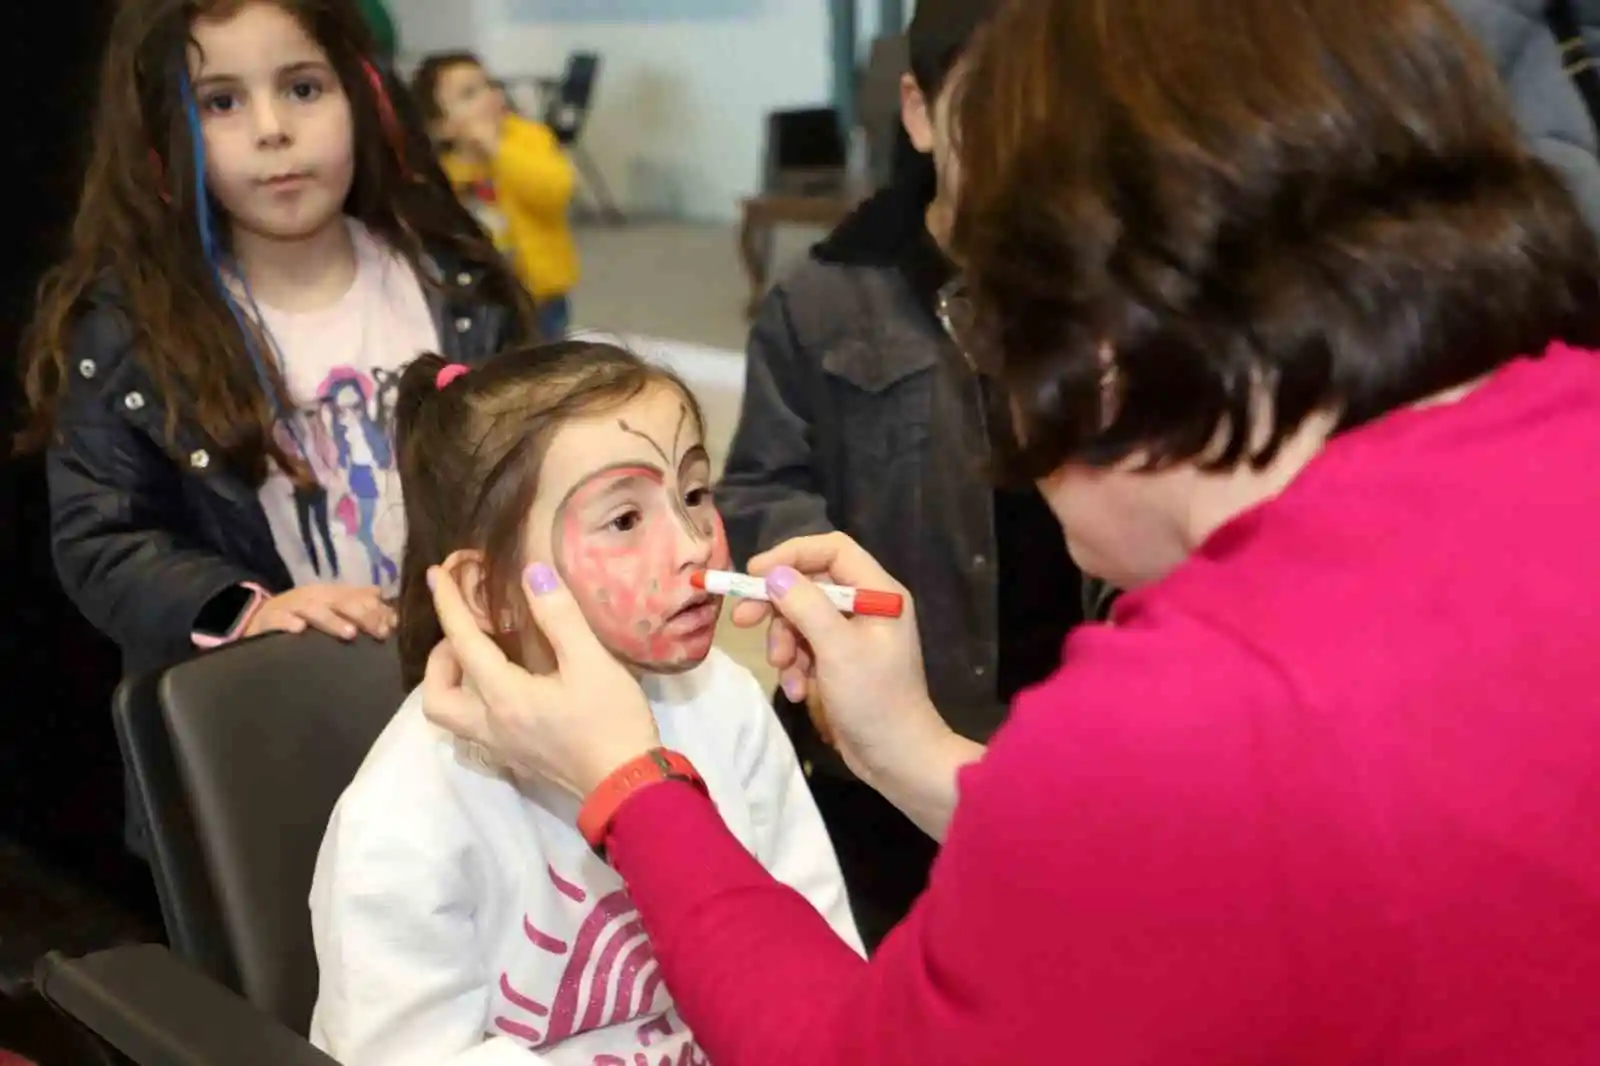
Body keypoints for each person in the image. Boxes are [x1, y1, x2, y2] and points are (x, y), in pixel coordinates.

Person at [418, 0, 1600, 1061]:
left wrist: (629, 786)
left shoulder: (1191, 708)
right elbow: (1181, 879)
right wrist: (908, 750)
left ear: (1100, 331)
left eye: (989, 314)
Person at [308, 343, 860, 1066]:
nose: (695, 546)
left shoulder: (721, 701)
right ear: (489, 592)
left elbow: (821, 953)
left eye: (694, 495)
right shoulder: (405, 818)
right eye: (625, 521)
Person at [15, 0, 535, 678]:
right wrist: (247, 613)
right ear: (161, 134)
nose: (273, 129)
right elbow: (106, 537)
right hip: (283, 720)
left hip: (470, 696)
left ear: (365, 96)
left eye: (303, 88)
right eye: (222, 101)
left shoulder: (460, 288)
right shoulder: (129, 335)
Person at [716, 0, 1083, 949]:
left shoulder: (1121, 299)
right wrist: (824, 599)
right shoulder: (826, 298)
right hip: (868, 764)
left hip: (1067, 745)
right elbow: (759, 487)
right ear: (919, 112)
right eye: (991, 105)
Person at [412, 53, 580, 339]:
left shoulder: (529, 138)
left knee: (548, 369)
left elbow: (556, 190)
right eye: (469, 94)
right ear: (442, 125)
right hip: (478, 298)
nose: (490, 96)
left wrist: (496, 149)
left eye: (489, 84)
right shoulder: (443, 170)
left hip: (540, 295)